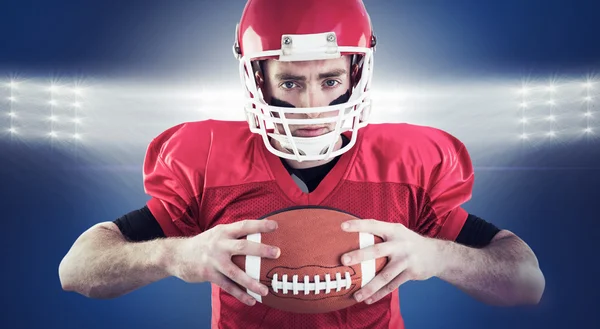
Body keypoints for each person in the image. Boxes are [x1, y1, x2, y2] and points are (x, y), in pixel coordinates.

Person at [58, 0, 545, 328]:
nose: (314, 105)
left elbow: (526, 281)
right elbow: (77, 269)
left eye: (330, 80)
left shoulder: (409, 163)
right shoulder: (205, 158)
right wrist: (175, 255)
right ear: (257, 79)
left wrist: (437, 256)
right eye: (291, 83)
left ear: (356, 73)